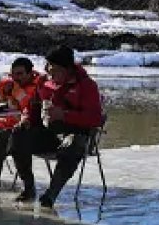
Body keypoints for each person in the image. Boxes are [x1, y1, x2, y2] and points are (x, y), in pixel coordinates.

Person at [10, 46, 104, 207]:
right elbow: (32, 107)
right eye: (49, 69)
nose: (50, 74)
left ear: (67, 69)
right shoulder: (45, 83)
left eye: (55, 71)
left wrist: (65, 115)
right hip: (50, 134)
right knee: (18, 135)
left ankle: (50, 195)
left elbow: (95, 118)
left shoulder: (87, 86)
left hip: (77, 135)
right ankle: (29, 187)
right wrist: (26, 119)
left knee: (72, 145)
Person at [0, 57, 44, 189]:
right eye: (13, 74)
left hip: (27, 131)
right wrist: (1, 92)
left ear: (30, 73)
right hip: (3, 126)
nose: (16, 78)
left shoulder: (39, 86)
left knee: (3, 137)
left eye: (20, 74)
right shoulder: (8, 85)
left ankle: (26, 187)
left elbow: (29, 109)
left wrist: (17, 92)